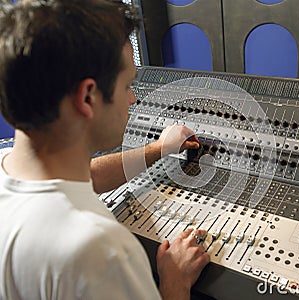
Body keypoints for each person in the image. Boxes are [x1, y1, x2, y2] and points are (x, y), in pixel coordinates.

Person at [0, 1, 210, 299]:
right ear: (88, 98)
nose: (133, 99)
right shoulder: (101, 250)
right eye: (127, 85)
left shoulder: (9, 166)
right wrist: (175, 280)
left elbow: (87, 177)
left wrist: (157, 149)